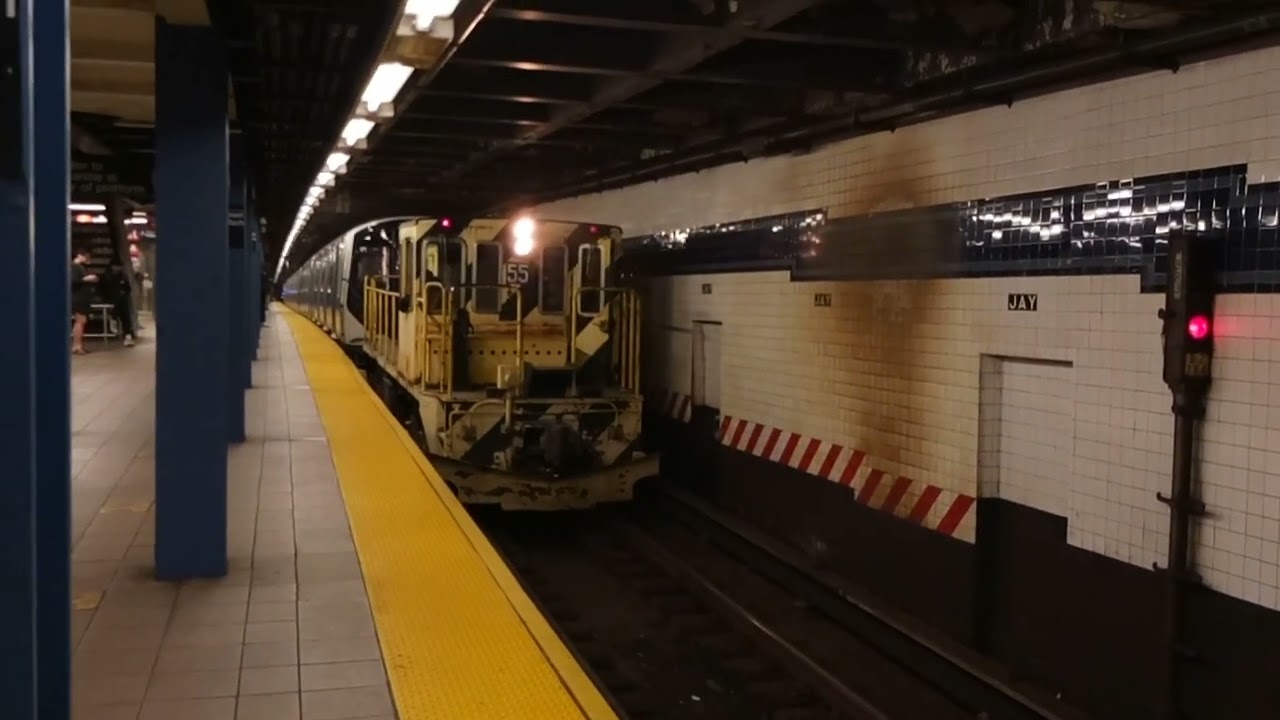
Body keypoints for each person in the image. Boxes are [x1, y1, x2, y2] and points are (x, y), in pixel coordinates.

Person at [70, 249, 98, 355]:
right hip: (78, 298)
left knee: (81, 321)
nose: (88, 259)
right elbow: (74, 281)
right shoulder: (75, 267)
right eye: (86, 256)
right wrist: (87, 279)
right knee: (80, 321)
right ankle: (77, 346)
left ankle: (77, 345)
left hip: (80, 297)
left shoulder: (77, 267)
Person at [105, 263, 136, 346]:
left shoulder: (124, 277)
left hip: (122, 299)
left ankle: (128, 336)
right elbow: (105, 290)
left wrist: (124, 291)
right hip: (112, 299)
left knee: (126, 317)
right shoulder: (108, 277)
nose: (118, 268)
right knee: (118, 310)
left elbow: (128, 289)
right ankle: (114, 319)